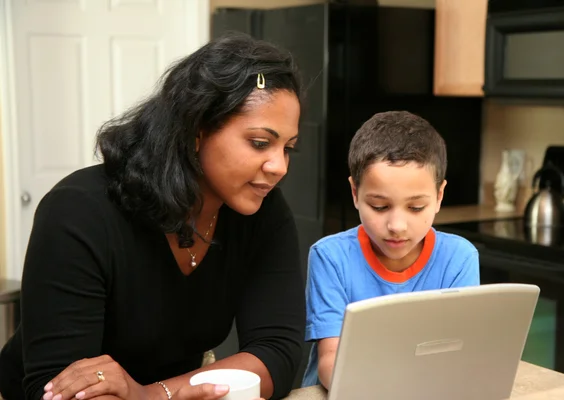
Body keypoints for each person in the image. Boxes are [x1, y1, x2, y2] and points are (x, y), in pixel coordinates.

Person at [0, 32, 306, 400]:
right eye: (260, 143)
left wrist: (152, 395)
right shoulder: (77, 213)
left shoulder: (264, 211)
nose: (278, 167)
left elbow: (277, 352)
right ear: (197, 130)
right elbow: (61, 388)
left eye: (287, 148)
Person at [301, 111, 480, 389]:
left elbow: (459, 356)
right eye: (380, 206)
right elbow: (330, 361)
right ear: (354, 193)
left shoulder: (458, 258)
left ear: (439, 196)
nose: (396, 226)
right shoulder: (331, 258)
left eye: (415, 207)